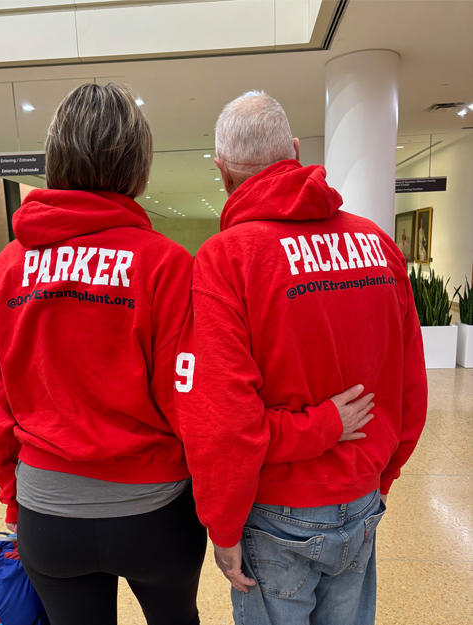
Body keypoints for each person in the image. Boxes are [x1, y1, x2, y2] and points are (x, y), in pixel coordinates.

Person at [175, 91, 428, 625]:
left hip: (276, 512)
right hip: (361, 498)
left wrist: (222, 530)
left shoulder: (227, 259)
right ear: (293, 150)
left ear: (223, 173)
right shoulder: (378, 245)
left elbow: (222, 421)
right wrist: (380, 475)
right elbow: (410, 387)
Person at [0, 83, 205, 625]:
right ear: (138, 167)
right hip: (157, 512)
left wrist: (14, 497)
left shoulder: (3, 272)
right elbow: (189, 400)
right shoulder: (167, 266)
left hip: (47, 513)